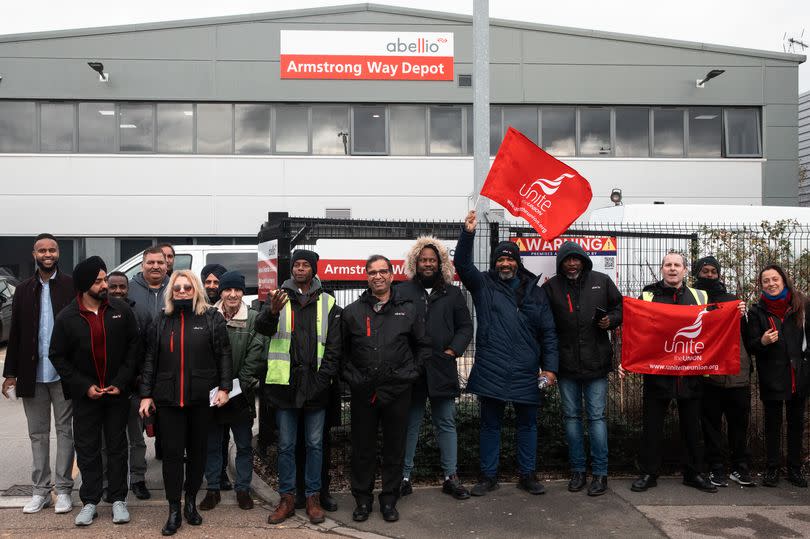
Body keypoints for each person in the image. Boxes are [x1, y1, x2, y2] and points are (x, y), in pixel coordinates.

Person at [454, 211, 558, 497]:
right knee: (490, 426)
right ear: (494, 262)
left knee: (528, 425)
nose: (505, 263)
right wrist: (468, 233)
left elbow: (548, 332)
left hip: (527, 370)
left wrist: (549, 369)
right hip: (492, 367)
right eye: (500, 258)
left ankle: (528, 475)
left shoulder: (536, 292)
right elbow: (461, 264)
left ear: (518, 262)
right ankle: (488, 477)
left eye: (510, 258)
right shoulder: (483, 285)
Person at [139, 270, 233, 536]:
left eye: (187, 287)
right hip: (168, 400)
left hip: (201, 399)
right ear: (171, 292)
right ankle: (173, 510)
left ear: (196, 290)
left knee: (197, 454)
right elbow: (149, 360)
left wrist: (224, 388)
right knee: (171, 456)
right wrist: (146, 394)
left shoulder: (211, 318)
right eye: (177, 288)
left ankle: (190, 502)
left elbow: (224, 355)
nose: (182, 291)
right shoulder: (161, 320)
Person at [49, 257, 140, 526]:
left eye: (104, 280)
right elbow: (58, 356)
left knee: (117, 447)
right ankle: (89, 502)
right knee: (87, 449)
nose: (105, 285)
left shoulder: (121, 310)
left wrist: (121, 382)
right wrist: (83, 386)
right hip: (85, 397)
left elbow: (134, 348)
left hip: (116, 395)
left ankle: (118, 500)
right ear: (84, 285)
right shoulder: (67, 317)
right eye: (99, 281)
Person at [342, 255, 430, 523]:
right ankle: (363, 500)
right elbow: (341, 354)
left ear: (392, 275)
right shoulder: (352, 312)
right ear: (366, 277)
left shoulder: (409, 309)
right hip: (363, 392)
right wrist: (355, 380)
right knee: (363, 449)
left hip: (398, 391)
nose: (377, 276)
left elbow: (423, 347)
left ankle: (390, 500)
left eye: (382, 271)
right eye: (372, 272)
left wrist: (410, 374)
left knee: (394, 447)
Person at [259, 250, 341, 525]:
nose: (300, 269)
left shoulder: (328, 302)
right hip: (285, 386)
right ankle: (287, 499)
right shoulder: (277, 298)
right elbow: (262, 329)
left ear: (314, 269)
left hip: (316, 388)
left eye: (306, 265)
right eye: (297, 265)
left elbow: (333, 348)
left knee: (315, 444)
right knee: (285, 445)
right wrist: (271, 313)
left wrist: (322, 381)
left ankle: (313, 497)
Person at [625, 252, 717, 493]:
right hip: (658, 374)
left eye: (677, 265)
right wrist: (627, 361)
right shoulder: (647, 295)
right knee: (652, 427)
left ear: (685, 270)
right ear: (662, 269)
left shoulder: (700, 295)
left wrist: (736, 310)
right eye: (668, 265)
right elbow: (635, 329)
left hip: (690, 374)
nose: (673, 269)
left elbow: (714, 323)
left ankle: (694, 473)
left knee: (692, 427)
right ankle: (648, 473)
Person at [1, 233, 75, 515]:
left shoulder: (70, 286)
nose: (47, 254)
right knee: (37, 434)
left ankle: (64, 489)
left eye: (52, 250)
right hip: (33, 374)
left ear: (58, 253)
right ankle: (40, 491)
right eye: (42, 250)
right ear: (34, 254)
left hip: (64, 374)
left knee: (65, 432)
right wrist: (10, 373)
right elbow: (16, 334)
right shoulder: (23, 289)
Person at [541, 241, 622, 497]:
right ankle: (578, 471)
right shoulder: (551, 287)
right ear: (561, 263)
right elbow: (545, 325)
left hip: (597, 364)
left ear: (584, 260)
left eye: (576, 259)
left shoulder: (602, 280)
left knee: (596, 418)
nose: (572, 263)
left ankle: (600, 473)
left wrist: (612, 320)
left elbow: (620, 307)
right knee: (572, 419)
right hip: (565, 367)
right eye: (567, 260)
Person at [399, 236, 473, 499]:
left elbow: (465, 326)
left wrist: (453, 350)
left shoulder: (453, 292)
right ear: (415, 262)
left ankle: (450, 477)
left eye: (432, 259)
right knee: (410, 424)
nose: (427, 263)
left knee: (446, 423)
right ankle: (403, 477)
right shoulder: (403, 292)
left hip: (442, 368)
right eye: (423, 259)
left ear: (440, 263)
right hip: (412, 370)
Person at [199, 271, 267, 512]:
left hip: (241, 394)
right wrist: (216, 389)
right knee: (213, 445)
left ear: (242, 292)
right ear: (221, 292)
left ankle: (243, 489)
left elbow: (256, 356)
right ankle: (213, 489)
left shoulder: (254, 319)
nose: (232, 294)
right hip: (213, 395)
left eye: (237, 290)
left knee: (244, 445)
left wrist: (237, 386)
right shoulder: (207, 317)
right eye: (228, 289)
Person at [692, 256, 755, 488]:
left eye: (713, 271)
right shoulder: (693, 300)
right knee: (711, 426)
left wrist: (742, 314)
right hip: (708, 377)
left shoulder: (733, 301)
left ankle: (741, 467)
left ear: (719, 274)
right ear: (697, 273)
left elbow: (748, 337)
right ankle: (716, 468)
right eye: (705, 271)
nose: (709, 275)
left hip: (737, 373)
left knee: (739, 424)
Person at [747, 264, 808, 488]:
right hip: (771, 375)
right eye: (766, 281)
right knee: (772, 424)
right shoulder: (756, 311)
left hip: (798, 375)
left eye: (775, 279)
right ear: (761, 285)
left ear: (783, 280)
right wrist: (762, 342)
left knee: (796, 424)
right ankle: (771, 469)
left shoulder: (802, 304)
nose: (771, 284)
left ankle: (794, 469)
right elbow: (751, 345)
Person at [105, 271, 151, 500]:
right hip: (107, 389)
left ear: (128, 288)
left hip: (133, 388)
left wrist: (143, 379)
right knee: (108, 440)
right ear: (106, 287)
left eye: (122, 287)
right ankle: (108, 482)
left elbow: (148, 349)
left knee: (136, 439)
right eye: (113, 287)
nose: (118, 291)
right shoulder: (100, 311)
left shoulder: (140, 312)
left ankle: (138, 479)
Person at [200, 262, 232, 491]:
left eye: (216, 282)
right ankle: (200, 472)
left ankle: (221, 475)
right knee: (199, 433)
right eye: (208, 281)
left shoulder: (229, 308)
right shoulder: (197, 307)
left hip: (223, 382)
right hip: (201, 380)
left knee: (221, 434)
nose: (211, 286)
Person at [128, 246, 170, 326]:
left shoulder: (176, 289)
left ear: (166, 266)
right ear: (142, 266)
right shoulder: (128, 289)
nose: (155, 267)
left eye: (160, 263)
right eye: (150, 262)